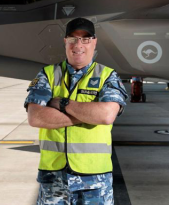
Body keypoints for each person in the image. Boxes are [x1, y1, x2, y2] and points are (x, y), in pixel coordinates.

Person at [24, 17, 128, 205]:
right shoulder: (48, 74)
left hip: (95, 181)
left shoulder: (107, 76)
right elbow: (35, 117)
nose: (78, 44)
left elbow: (106, 115)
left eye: (85, 38)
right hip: (53, 178)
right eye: (73, 38)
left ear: (94, 42)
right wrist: (87, 116)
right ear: (65, 42)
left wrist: (61, 104)